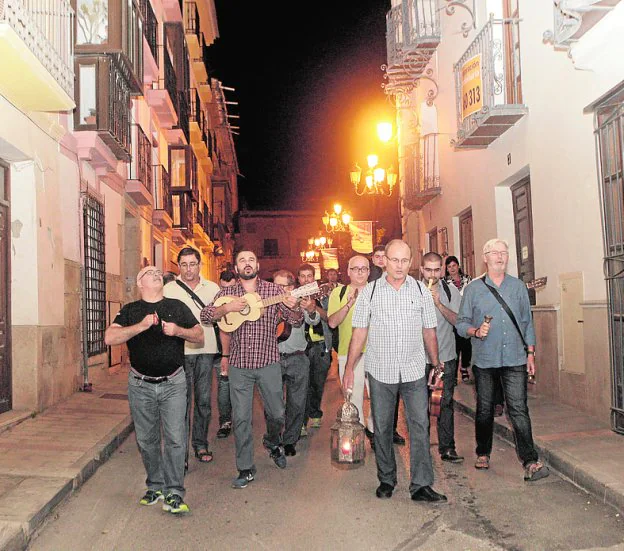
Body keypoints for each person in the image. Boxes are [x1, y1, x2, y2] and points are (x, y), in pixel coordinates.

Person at [343, 240, 447, 502]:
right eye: (394, 260)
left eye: (404, 261)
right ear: (384, 261)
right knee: (383, 428)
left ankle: (421, 485)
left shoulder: (422, 292)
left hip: (413, 371)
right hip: (380, 371)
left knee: (420, 426)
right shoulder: (371, 292)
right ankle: (387, 479)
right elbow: (359, 332)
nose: (399, 266)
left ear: (411, 262)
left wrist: (436, 365)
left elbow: (429, 331)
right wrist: (349, 368)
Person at [104, 266, 203, 514]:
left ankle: (174, 491)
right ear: (140, 283)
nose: (156, 274)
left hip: (173, 383)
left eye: (158, 272)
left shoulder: (177, 306)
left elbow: (199, 335)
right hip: (140, 385)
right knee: (147, 440)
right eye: (149, 272)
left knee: (175, 438)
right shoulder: (130, 311)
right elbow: (110, 338)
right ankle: (155, 485)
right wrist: (141, 326)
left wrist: (177, 330)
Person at [200, 249, 302, 489]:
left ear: (258, 265)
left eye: (251, 260)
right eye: (242, 260)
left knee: (277, 413)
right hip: (239, 365)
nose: (247, 264)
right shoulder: (226, 293)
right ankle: (245, 468)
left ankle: (272, 441)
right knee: (241, 419)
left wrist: (294, 306)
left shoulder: (274, 291)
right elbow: (206, 316)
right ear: (236, 268)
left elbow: (295, 320)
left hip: (268, 362)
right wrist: (227, 309)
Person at [456, 238, 549, 481]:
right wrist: (475, 331)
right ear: (485, 258)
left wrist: (531, 353)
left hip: (515, 357)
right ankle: (483, 451)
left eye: (504, 253)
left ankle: (530, 461)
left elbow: (527, 322)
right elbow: (460, 324)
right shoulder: (474, 290)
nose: (500, 256)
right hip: (485, 359)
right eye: (494, 253)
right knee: (485, 409)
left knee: (518, 409)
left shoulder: (517, 287)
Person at [163, 247, 221, 465]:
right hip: (180, 352)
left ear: (199, 265)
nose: (189, 269)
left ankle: (200, 443)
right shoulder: (169, 289)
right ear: (179, 266)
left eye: (192, 264)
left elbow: (222, 318)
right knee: (181, 403)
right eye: (184, 264)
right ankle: (181, 453)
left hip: (206, 351)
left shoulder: (213, 288)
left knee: (204, 401)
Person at [327, 255, 374, 450]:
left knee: (378, 400)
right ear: (348, 272)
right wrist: (348, 304)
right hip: (349, 357)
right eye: (355, 269)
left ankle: (374, 433)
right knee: (353, 401)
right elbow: (332, 322)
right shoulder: (338, 293)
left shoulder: (377, 292)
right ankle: (358, 438)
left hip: (376, 355)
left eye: (364, 268)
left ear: (369, 272)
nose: (360, 272)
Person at [421, 252, 464, 463]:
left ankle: (447, 448)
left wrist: (439, 304)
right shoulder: (413, 290)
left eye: (437, 269)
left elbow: (458, 321)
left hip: (446, 356)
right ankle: (421, 449)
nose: (432, 274)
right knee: (420, 405)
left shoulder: (450, 291)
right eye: (428, 269)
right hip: (419, 359)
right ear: (421, 270)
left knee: (444, 403)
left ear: (442, 269)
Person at [273, 269, 320, 456]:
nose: (277, 289)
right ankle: (275, 437)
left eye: (281, 286)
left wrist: (311, 309)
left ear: (291, 287)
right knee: (274, 403)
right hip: (273, 358)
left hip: (298, 357)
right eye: (274, 285)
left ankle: (290, 440)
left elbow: (313, 320)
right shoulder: (269, 302)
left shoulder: (301, 301)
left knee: (297, 402)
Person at [371, 244, 406, 446]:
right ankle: (378, 434)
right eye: (378, 257)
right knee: (378, 396)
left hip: (397, 346)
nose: (383, 260)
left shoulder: (400, 279)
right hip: (376, 345)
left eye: (386, 257)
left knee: (393, 394)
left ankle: (390, 430)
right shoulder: (372, 281)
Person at [298, 263, 332, 433]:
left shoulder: (323, 296)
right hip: (302, 348)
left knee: (318, 384)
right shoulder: (293, 296)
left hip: (321, 346)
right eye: (303, 276)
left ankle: (315, 413)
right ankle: (301, 422)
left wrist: (314, 307)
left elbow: (330, 318)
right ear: (298, 279)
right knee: (301, 385)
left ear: (314, 278)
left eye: (309, 276)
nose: (306, 279)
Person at [214, 269, 238, 438]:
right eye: (224, 288)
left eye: (230, 288)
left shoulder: (244, 299)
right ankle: (225, 421)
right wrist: (225, 354)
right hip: (222, 351)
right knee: (224, 385)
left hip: (243, 350)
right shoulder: (217, 300)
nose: (227, 292)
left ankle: (243, 420)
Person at [444, 255, 472, 383]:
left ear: (458, 266)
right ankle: (453, 373)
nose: (452, 269)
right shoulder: (444, 283)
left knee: (466, 344)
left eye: (454, 265)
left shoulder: (468, 280)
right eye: (449, 267)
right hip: (452, 317)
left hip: (467, 317)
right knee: (454, 345)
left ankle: (464, 367)